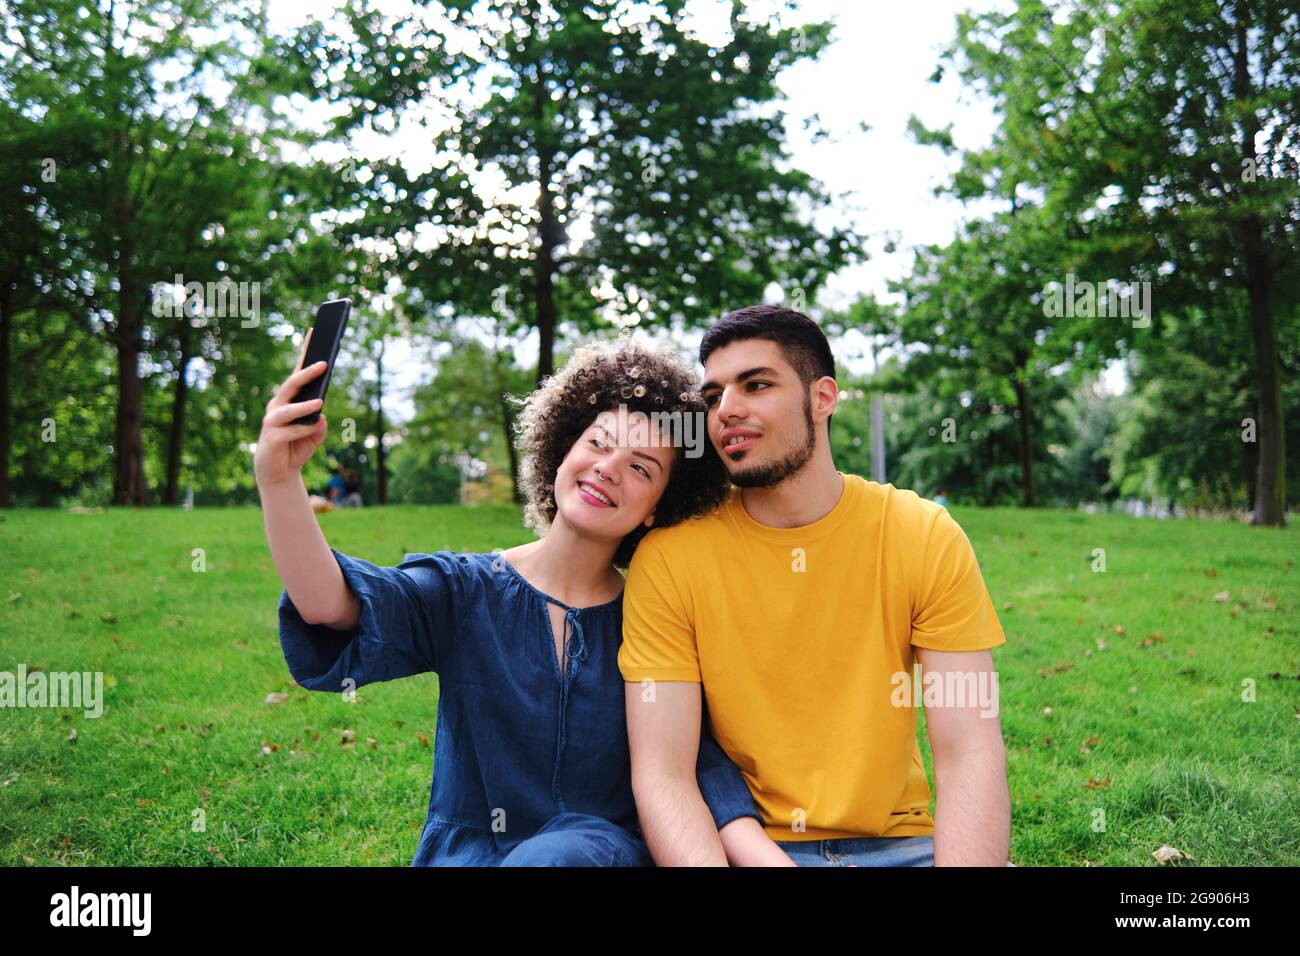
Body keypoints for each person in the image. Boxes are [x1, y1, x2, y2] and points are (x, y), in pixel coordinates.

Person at [254, 331, 768, 866]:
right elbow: (327, 604)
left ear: (657, 510)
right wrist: (280, 478)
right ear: (564, 449)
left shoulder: (654, 619)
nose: (609, 466)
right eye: (598, 441)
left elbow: (697, 772)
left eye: (642, 467)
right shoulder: (465, 590)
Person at [620, 305, 1011, 867]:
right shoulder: (670, 558)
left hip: (904, 848)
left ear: (822, 397)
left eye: (755, 384)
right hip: (744, 850)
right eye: (712, 397)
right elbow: (664, 776)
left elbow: (969, 751)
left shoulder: (921, 534)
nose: (727, 409)